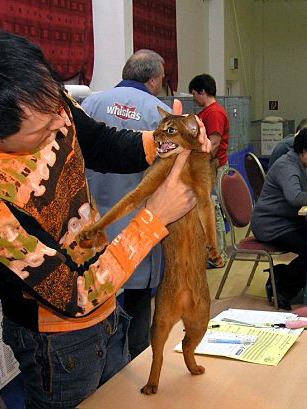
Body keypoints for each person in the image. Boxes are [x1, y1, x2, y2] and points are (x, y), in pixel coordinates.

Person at [0, 30, 210, 409]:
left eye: (57, 109)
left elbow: (98, 143)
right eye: (40, 130)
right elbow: (74, 295)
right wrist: (154, 218)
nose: (58, 126)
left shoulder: (45, 103)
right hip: (59, 342)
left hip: (109, 306)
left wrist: (166, 142)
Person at [81, 49, 171, 359]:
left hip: (91, 228)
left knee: (97, 309)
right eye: (161, 78)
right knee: (137, 307)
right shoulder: (160, 113)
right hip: (137, 230)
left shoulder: (88, 105)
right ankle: (134, 369)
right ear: (151, 80)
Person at [251, 126, 307, 310]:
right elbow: (295, 197)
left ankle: (281, 275)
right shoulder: (287, 166)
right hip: (272, 225)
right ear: (306, 150)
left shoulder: (299, 163)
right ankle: (282, 287)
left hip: (286, 222)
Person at [188, 73, 229, 267]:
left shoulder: (214, 113)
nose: (194, 98)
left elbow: (213, 143)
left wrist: (199, 164)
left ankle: (218, 256)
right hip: (208, 167)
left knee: (213, 211)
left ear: (202, 92)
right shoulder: (208, 111)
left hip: (213, 168)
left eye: (194, 94)